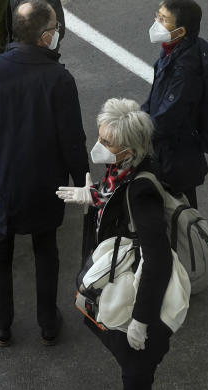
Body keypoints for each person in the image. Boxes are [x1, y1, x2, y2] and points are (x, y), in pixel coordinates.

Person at [0, 0, 88, 346]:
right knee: (46, 249)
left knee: (0, 250)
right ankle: (48, 321)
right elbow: (72, 138)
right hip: (44, 185)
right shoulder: (59, 79)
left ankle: (1, 323)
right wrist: (84, 183)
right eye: (55, 27)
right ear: (45, 37)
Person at [57, 98, 175, 390]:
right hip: (120, 269)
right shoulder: (123, 169)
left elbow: (158, 261)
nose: (99, 146)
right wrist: (95, 195)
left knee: (136, 367)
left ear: (129, 149)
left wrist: (141, 320)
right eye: (100, 137)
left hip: (133, 288)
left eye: (107, 142)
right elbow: (115, 194)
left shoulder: (142, 191)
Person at [142, 0, 208, 208]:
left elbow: (168, 117)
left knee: (181, 210)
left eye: (164, 19)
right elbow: (157, 97)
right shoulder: (173, 51)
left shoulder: (185, 69)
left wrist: (140, 131)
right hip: (172, 150)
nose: (157, 23)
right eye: (157, 16)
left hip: (176, 155)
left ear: (181, 31)